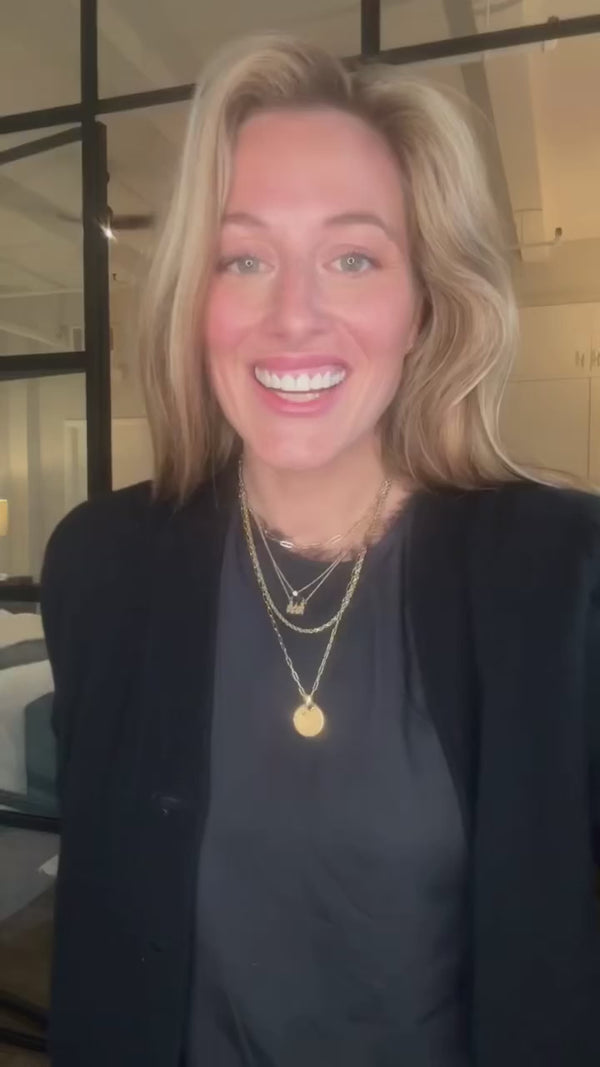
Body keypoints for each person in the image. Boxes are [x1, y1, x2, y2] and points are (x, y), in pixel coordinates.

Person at [40, 32, 600, 1067]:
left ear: (425, 301)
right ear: (195, 298)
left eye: (353, 257)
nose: (292, 317)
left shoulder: (564, 579)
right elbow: (105, 939)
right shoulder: (101, 568)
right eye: (244, 258)